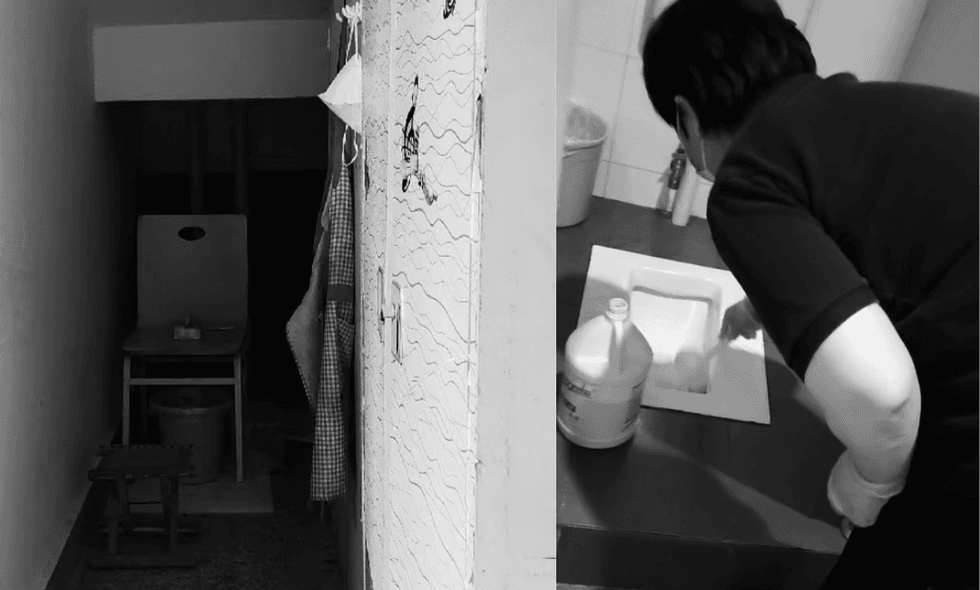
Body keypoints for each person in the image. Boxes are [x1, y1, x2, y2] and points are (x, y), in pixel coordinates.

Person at [641, 1, 978, 588]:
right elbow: (912, 255)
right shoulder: (876, 110)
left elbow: (884, 395)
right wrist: (776, 299)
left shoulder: (748, 175)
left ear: (687, 118)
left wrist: (871, 485)